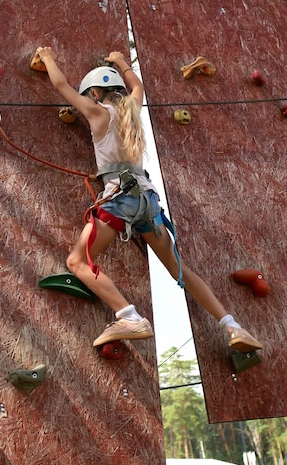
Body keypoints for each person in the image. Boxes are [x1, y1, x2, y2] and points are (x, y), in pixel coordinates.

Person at [35, 46, 263, 353]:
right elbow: (138, 86)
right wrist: (121, 61)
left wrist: (48, 56)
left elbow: (61, 86)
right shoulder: (132, 108)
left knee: (77, 261)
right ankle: (233, 327)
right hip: (148, 201)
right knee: (180, 270)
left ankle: (127, 315)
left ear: (94, 94)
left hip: (119, 199)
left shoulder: (98, 112)